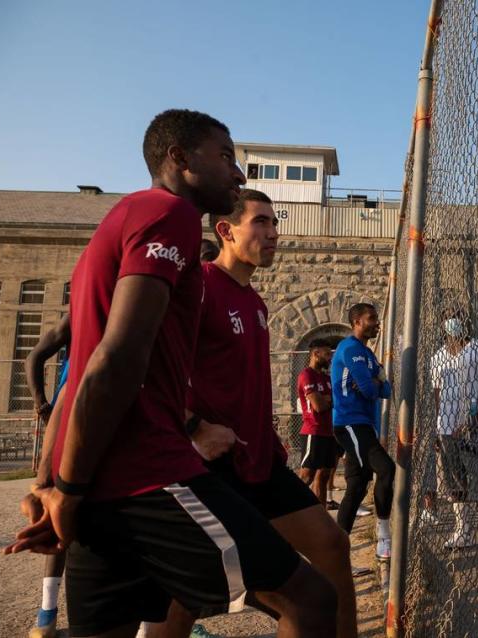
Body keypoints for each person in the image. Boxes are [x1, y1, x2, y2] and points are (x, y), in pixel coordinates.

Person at [5, 109, 337, 638]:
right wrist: (66, 487)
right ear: (180, 159)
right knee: (311, 601)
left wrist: (51, 478)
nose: (238, 174)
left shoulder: (120, 220)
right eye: (226, 157)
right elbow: (114, 359)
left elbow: (82, 369)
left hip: (98, 483)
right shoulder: (169, 215)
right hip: (145, 472)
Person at [142, 189, 355, 638]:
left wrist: (269, 440)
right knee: (181, 596)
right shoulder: (196, 287)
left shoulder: (256, 304)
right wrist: (194, 427)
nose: (273, 233)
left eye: (275, 223)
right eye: (261, 222)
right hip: (208, 469)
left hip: (259, 462)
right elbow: (143, 369)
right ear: (226, 230)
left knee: (332, 544)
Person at [429, 310, 478, 556]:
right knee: (454, 481)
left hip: (474, 426)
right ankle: (463, 531)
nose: (453, 322)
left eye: (457, 317)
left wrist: (475, 417)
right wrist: (440, 426)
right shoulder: (438, 357)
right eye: (448, 318)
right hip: (447, 427)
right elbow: (437, 392)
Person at [332, 303, 395, 560]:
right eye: (372, 318)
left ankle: (336, 549)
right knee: (386, 468)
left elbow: (387, 389)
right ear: (357, 321)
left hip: (363, 423)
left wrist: (374, 383)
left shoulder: (367, 354)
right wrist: (374, 383)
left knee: (357, 485)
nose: (377, 323)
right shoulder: (350, 349)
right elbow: (371, 390)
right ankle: (384, 536)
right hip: (350, 422)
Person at [24, 314, 71, 638]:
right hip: (73, 422)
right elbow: (35, 356)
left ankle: (47, 617)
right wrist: (43, 405)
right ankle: (47, 611)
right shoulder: (84, 312)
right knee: (57, 515)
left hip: (88, 421)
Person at [298, 338, 340, 508]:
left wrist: (327, 399)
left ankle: (321, 516)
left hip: (329, 432)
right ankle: (290, 513)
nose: (330, 357)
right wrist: (327, 400)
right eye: (327, 353)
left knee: (323, 476)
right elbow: (319, 406)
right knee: (307, 476)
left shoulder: (326, 377)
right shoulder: (306, 375)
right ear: (316, 354)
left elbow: (336, 401)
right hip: (313, 432)